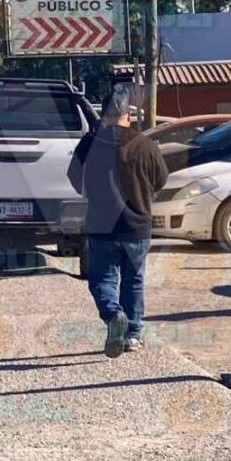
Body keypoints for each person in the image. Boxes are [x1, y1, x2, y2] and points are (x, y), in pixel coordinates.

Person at [67, 85, 169, 358]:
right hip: (138, 226)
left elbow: (74, 179)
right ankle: (133, 336)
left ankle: (114, 315)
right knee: (134, 280)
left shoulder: (89, 143)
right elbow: (160, 180)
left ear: (103, 115)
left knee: (102, 279)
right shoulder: (146, 145)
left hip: (101, 225)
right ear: (129, 115)